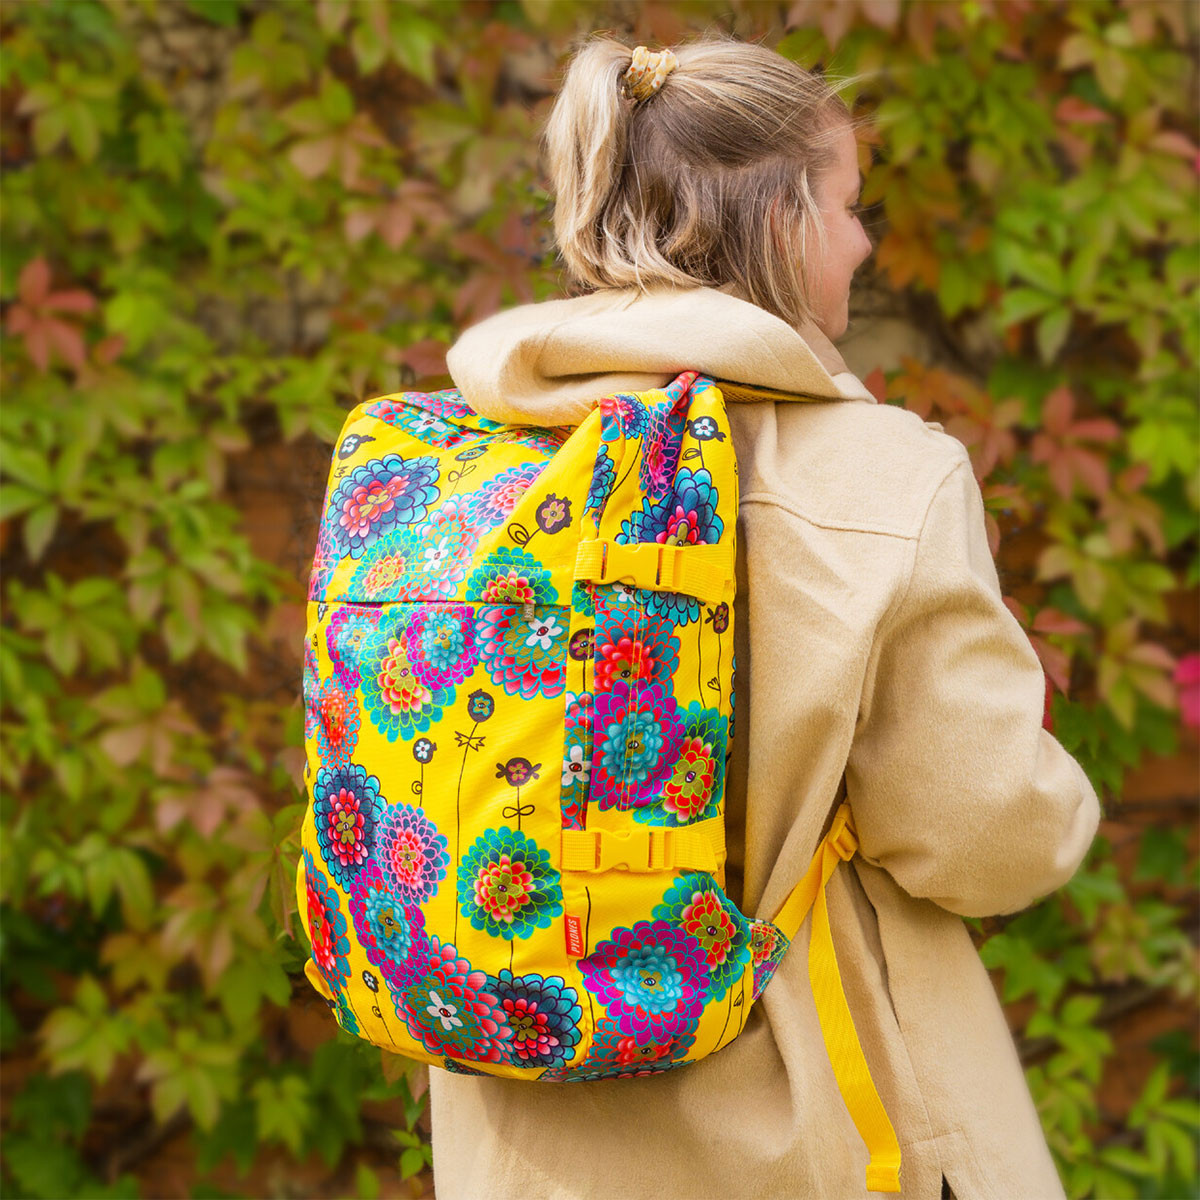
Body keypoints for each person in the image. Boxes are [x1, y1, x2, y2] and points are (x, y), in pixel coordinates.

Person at [427, 32, 1100, 1200]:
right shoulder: (885, 475)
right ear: (783, 220)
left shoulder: (464, 461)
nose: (864, 242)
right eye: (848, 205)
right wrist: (1062, 800)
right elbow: (980, 828)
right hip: (810, 1131)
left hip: (521, 1138)